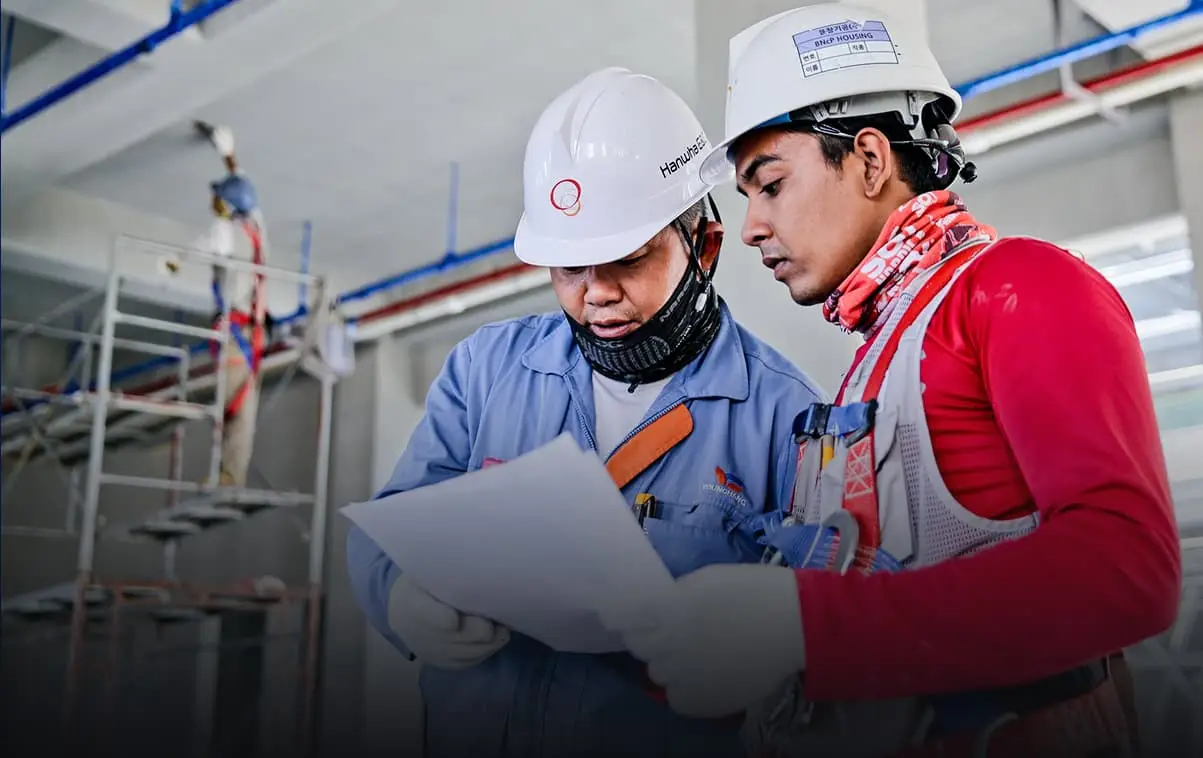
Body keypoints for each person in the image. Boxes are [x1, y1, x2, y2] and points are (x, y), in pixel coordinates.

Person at [600, 5, 1183, 757]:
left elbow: (1126, 568)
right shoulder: (871, 370)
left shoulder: (1017, 287)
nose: (748, 227)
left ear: (870, 160)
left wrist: (800, 627)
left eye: (768, 184)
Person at [345, 67, 826, 758]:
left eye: (626, 260)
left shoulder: (785, 417)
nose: (594, 294)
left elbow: (818, 636)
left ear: (705, 247)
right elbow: (391, 525)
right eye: (568, 268)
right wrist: (400, 601)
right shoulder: (485, 371)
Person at [193, 121, 271, 488]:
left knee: (230, 408)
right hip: (249, 331)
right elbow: (245, 192)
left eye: (218, 199)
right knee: (240, 406)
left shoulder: (225, 236)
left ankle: (226, 476)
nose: (213, 202)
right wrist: (228, 154)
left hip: (235, 335)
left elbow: (200, 245)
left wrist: (172, 261)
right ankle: (229, 474)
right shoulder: (255, 228)